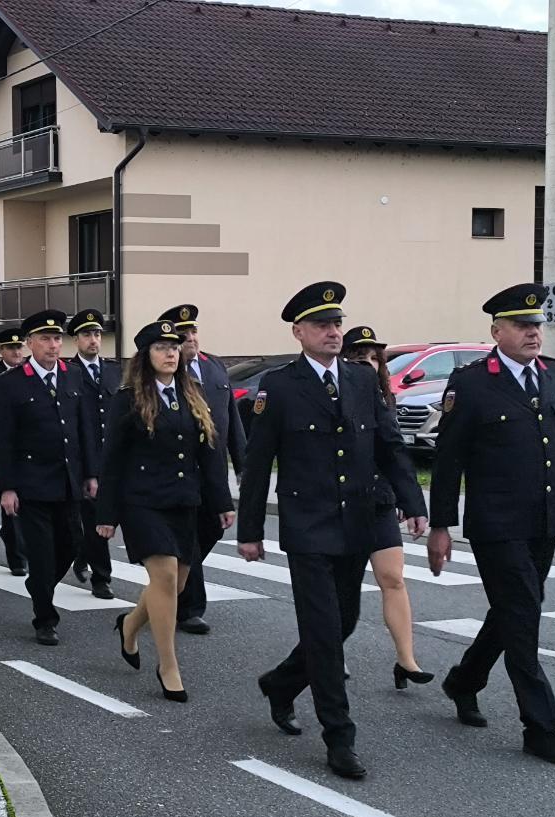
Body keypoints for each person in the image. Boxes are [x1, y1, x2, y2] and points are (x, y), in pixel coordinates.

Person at [428, 283, 555, 767]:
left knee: (514, 611)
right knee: (522, 616)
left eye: (537, 325)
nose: (533, 333)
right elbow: (449, 460)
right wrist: (440, 525)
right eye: (521, 325)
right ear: (497, 332)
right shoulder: (472, 383)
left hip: (546, 519)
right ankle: (541, 727)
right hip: (496, 524)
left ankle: (464, 680)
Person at [237, 282, 427, 780]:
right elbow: (258, 463)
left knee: (342, 623)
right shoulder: (279, 386)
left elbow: (389, 446)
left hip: (357, 521)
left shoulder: (362, 380)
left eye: (337, 323)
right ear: (298, 332)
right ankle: (339, 736)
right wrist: (250, 530)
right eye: (322, 325)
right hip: (308, 526)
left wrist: (413, 503)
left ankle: (281, 683)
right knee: (323, 630)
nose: (333, 332)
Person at [97, 321, 233, 701]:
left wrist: (222, 501)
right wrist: (106, 514)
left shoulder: (192, 394)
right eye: (161, 347)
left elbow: (209, 454)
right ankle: (168, 666)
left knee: (177, 584)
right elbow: (112, 459)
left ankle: (130, 625)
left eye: (174, 347)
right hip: (142, 501)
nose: (171, 353)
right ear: (146, 356)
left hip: (184, 501)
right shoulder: (128, 399)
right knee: (165, 577)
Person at [0, 310, 97, 645]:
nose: (53, 345)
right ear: (30, 343)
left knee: (72, 543)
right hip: (31, 483)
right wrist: (8, 487)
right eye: (45, 339)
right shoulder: (11, 382)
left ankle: (40, 584)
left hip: (67, 480)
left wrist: (91, 473)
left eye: (57, 339)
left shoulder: (72, 375)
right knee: (40, 553)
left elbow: (84, 427)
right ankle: (45, 618)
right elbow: (3, 439)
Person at [341, 325, 432, 688]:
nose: (368, 362)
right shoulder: (334, 395)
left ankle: (406, 660)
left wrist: (408, 501)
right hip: (344, 504)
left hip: (380, 501)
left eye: (373, 357)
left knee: (393, 578)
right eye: (358, 356)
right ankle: (331, 651)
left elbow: (394, 452)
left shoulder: (385, 398)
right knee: (341, 589)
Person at [158, 304, 247, 635]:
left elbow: (231, 417)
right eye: (183, 335)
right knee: (189, 536)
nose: (191, 338)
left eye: (193, 331)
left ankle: (174, 581)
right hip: (181, 470)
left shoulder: (214, 366)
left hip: (214, 469)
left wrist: (243, 465)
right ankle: (190, 608)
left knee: (212, 528)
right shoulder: (163, 376)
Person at [69, 309, 121, 600]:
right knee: (94, 519)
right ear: (76, 339)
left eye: (97, 334)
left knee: (118, 514)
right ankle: (102, 578)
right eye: (87, 334)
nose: (93, 340)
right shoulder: (69, 372)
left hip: (114, 457)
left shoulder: (114, 371)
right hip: (84, 459)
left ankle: (83, 554)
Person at [0, 326, 28, 575]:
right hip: (4, 449)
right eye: (11, 348)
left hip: (30, 450)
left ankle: (26, 547)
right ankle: (17, 557)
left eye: (19, 347)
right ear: (1, 350)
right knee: (11, 505)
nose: (16, 352)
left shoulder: (31, 372)